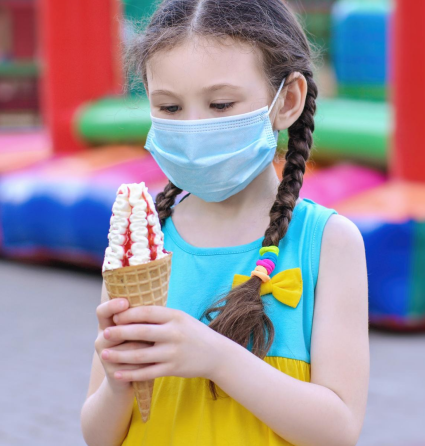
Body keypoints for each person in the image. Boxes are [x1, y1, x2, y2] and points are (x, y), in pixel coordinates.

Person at [82, 1, 369, 444]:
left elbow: (338, 430)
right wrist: (118, 376)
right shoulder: (141, 245)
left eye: (219, 103)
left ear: (287, 101)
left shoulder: (328, 243)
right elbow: (99, 436)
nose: (194, 127)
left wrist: (216, 358)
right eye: (170, 108)